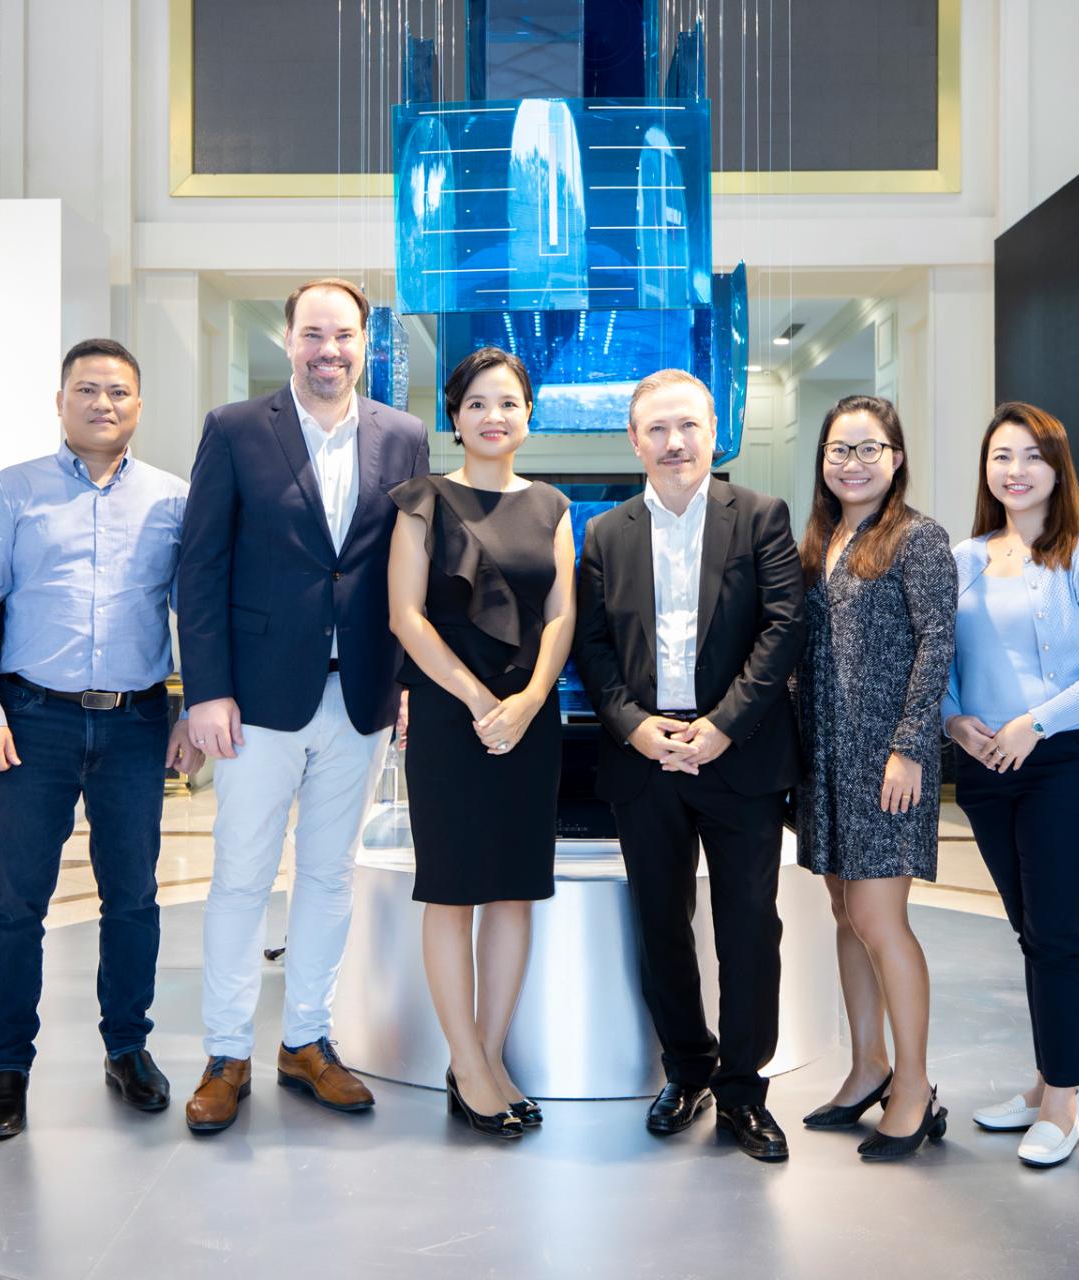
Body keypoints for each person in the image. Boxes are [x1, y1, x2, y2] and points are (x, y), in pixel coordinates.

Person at [178, 278, 429, 1134]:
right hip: (254, 700)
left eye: (345, 335)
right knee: (242, 877)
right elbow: (199, 568)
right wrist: (206, 689)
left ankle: (306, 1042)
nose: (330, 350)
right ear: (288, 339)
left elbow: (408, 569)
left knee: (328, 877)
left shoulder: (402, 437)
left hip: (359, 697)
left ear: (365, 343)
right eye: (314, 334)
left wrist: (404, 681)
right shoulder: (235, 429)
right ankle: (226, 1053)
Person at [0, 338, 201, 1141]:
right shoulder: (12, 490)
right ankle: (7, 1065)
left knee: (133, 896)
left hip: (135, 721)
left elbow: (193, 612)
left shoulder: (172, 498)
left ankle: (127, 1047)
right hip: (33, 720)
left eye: (118, 392)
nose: (103, 403)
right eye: (87, 389)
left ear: (139, 406)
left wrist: (193, 710)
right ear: (60, 402)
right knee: (16, 900)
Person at [573, 368, 805, 1163]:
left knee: (749, 931)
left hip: (739, 758)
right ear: (635, 441)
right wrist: (634, 727)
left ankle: (743, 1090)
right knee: (661, 927)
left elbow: (783, 629)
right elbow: (593, 647)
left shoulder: (762, 517)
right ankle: (688, 1069)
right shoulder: (605, 535)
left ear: (715, 433)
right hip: (644, 761)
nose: (675, 442)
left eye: (689, 426)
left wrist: (724, 727)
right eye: (658, 429)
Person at [942, 402, 1079, 1169]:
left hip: (1070, 761)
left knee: (1057, 934)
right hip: (985, 767)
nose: (1016, 470)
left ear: (1058, 469)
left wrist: (1038, 722)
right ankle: (1046, 1082)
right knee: (1031, 931)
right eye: (1002, 455)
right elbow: (938, 661)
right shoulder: (961, 558)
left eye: (1032, 455)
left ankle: (1063, 1101)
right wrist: (955, 722)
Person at [386, 347, 574, 1139]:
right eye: (477, 404)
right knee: (452, 889)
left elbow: (562, 614)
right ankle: (464, 1063)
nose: (494, 417)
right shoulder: (422, 501)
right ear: (454, 418)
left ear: (528, 416)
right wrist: (477, 699)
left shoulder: (553, 505)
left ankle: (490, 1059)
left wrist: (527, 702)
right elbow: (405, 615)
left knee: (513, 890)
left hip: (529, 721)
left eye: (509, 403)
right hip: (448, 716)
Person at [791, 395, 956, 1162]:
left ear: (896, 458)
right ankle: (868, 1067)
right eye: (839, 449)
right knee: (844, 913)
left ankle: (914, 1089)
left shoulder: (919, 538)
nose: (852, 463)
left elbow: (937, 643)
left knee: (880, 919)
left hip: (887, 759)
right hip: (824, 756)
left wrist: (911, 747)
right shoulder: (820, 539)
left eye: (868, 449)